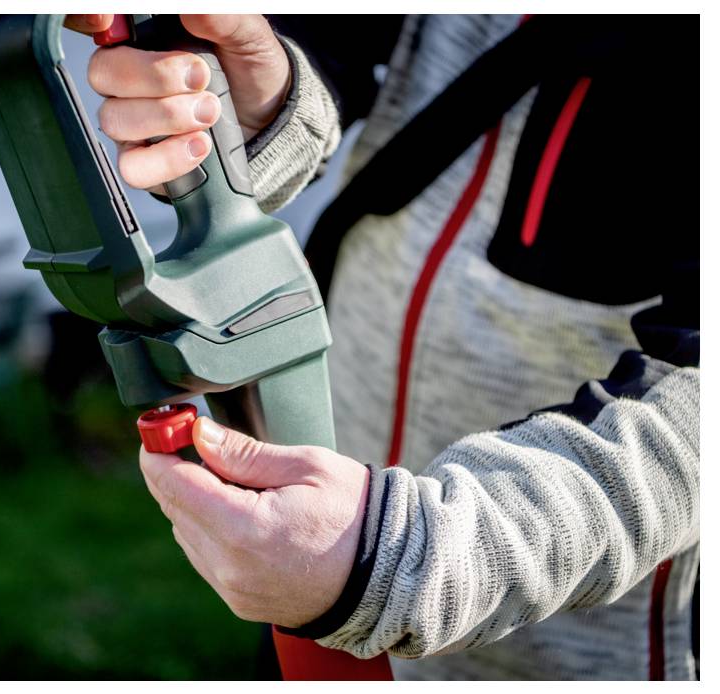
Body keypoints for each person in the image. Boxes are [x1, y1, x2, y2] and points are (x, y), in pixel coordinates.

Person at [65, 14, 700, 680]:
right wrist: (264, 101)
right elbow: (340, 41)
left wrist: (411, 557)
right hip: (323, 561)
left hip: (563, 638)